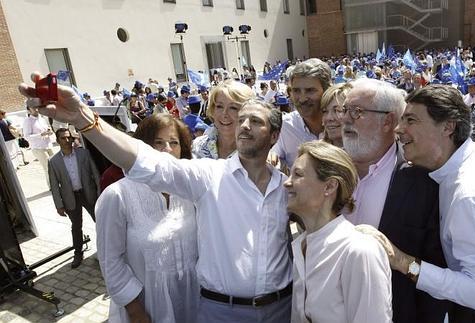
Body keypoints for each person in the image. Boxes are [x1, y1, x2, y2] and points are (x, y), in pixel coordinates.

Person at [20, 71, 294, 322]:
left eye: (254, 120)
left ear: (274, 135)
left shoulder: (289, 186)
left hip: (282, 309)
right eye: (240, 119)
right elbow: (145, 161)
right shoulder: (209, 174)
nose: (242, 125)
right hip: (221, 312)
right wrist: (83, 118)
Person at [379, 84, 475, 322]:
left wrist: (404, 262)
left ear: (448, 126)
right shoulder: (466, 157)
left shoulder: (473, 194)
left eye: (411, 120)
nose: (399, 129)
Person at [341, 79, 450, 323]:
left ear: (388, 121)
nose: (345, 119)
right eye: (344, 110)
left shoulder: (424, 183)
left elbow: (436, 268)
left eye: (357, 112)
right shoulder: (327, 170)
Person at [96, 114, 198, 323]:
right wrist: (135, 311)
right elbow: (110, 260)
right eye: (158, 143)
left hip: (192, 301)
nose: (167, 149)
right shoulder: (118, 195)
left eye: (174, 143)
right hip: (146, 307)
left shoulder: (190, 190)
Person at [286, 140, 393, 323]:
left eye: (298, 174)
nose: (287, 183)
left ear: (329, 186)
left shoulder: (359, 251)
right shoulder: (301, 246)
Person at [48, 128, 100, 268]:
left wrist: (100, 192)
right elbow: (54, 185)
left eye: (69, 137)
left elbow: (95, 174)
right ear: (58, 141)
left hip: (88, 193)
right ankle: (78, 253)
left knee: (101, 222)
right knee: (76, 226)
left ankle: (109, 248)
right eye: (63, 138)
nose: (67, 140)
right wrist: (58, 204)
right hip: (70, 198)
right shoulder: (53, 161)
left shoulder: (83, 153)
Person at [271, 58, 331, 168]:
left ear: (327, 90)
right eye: (296, 91)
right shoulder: (284, 127)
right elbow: (272, 156)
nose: (302, 99)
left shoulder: (344, 125)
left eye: (310, 90)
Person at [192, 79, 255, 159]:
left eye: (233, 108)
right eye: (219, 106)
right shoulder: (196, 147)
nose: (224, 113)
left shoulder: (258, 153)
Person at [22, 104, 54, 185]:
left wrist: (49, 131)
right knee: (48, 167)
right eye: (33, 107)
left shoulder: (42, 118)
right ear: (29, 110)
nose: (36, 109)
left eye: (37, 107)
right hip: (38, 147)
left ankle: (57, 183)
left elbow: (47, 129)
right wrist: (40, 134)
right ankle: (52, 186)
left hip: (48, 144)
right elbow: (26, 137)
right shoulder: (27, 121)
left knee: (55, 165)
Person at [320, 83, 351, 147]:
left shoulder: (371, 154)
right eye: (325, 111)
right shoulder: (314, 154)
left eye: (338, 110)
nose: (329, 118)